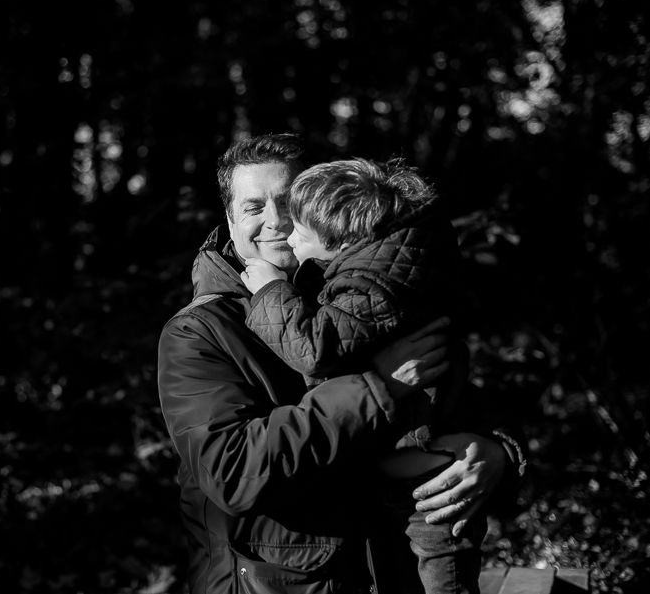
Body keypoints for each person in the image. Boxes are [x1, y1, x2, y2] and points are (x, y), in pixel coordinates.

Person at [157, 133, 527, 594]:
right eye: (254, 207)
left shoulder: (356, 291)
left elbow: (446, 381)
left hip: (390, 571)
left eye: (288, 202)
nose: (274, 221)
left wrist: (496, 451)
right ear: (229, 220)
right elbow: (234, 472)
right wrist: (379, 389)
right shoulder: (199, 331)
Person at [240, 156, 488, 594]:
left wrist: (269, 291)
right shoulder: (390, 267)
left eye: (300, 229)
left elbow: (315, 348)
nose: (285, 232)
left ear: (340, 241)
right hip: (405, 473)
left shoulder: (368, 287)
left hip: (423, 481)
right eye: (254, 207)